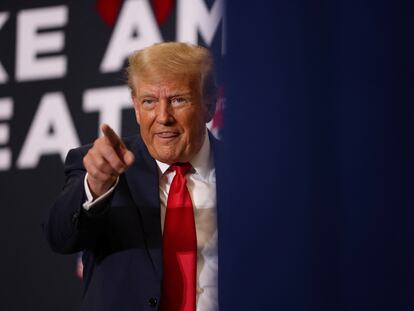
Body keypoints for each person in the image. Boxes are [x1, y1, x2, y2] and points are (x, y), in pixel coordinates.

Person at [44, 42, 219, 311]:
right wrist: (96, 185)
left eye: (178, 99)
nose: (163, 117)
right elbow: (60, 237)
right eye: (149, 101)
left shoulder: (249, 176)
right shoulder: (102, 166)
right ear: (136, 107)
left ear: (209, 105)